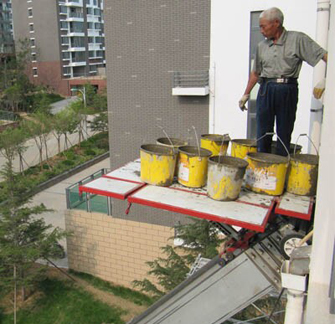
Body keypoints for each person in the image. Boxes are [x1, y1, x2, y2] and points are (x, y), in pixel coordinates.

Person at [239, 7, 327, 156]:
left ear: (276, 23)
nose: (261, 30)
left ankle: (280, 170)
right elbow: (256, 73)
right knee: (263, 132)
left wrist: (327, 80)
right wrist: (246, 94)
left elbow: (325, 56)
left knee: (284, 132)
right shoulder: (262, 46)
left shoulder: (297, 39)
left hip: (287, 89)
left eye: (263, 26)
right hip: (266, 89)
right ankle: (264, 168)